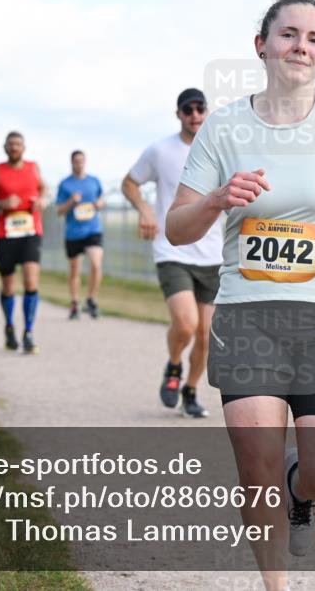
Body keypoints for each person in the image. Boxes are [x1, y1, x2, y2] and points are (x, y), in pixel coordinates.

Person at [166, 0, 315, 590]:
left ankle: (303, 494)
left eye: (314, 38)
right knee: (257, 468)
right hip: (250, 313)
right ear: (262, 45)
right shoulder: (224, 126)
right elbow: (177, 225)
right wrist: (218, 199)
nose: (301, 46)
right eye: (289, 34)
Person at [122, 88, 222, 419]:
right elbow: (130, 183)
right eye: (187, 110)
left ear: (207, 112)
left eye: (200, 109)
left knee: (206, 338)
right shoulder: (160, 151)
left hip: (213, 255)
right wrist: (145, 211)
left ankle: (190, 391)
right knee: (185, 323)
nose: (195, 115)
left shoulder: (221, 150)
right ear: (178, 114)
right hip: (173, 248)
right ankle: (174, 365)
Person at [0, 131, 47, 354]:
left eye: (18, 144)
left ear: (24, 147)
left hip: (30, 231)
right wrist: (1, 203)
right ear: (5, 148)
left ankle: (28, 332)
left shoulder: (33, 167)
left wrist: (42, 199)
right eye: (11, 144)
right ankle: (9, 326)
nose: (15, 147)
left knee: (30, 280)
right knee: (8, 285)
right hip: (5, 234)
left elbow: (43, 187)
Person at [55, 151, 105, 319]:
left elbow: (101, 200)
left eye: (82, 161)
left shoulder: (94, 181)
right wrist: (71, 202)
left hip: (92, 230)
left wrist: (99, 204)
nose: (79, 164)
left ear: (85, 162)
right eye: (76, 161)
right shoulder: (65, 184)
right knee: (75, 270)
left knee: (96, 264)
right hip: (73, 233)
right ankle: (74, 302)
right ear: (71, 163)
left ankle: (90, 299)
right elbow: (59, 211)